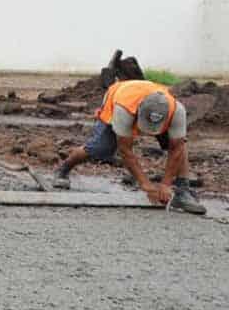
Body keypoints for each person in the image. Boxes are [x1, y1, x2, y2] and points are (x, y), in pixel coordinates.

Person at [53, 80, 205, 214]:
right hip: (117, 97)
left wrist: (165, 185)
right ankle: (63, 170)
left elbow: (176, 149)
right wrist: (145, 184)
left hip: (150, 100)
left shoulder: (177, 111)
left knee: (179, 144)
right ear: (138, 111)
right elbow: (125, 150)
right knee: (101, 148)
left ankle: (182, 190)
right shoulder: (124, 109)